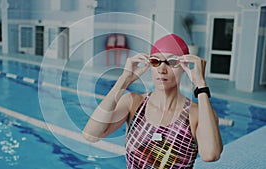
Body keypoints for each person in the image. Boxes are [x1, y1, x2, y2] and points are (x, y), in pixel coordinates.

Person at [83, 34, 223, 168]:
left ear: (184, 66)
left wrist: (201, 85)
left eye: (172, 62)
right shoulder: (134, 103)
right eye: (155, 61)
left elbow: (211, 154)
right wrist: (123, 80)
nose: (162, 69)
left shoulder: (196, 114)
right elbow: (91, 135)